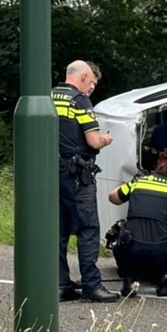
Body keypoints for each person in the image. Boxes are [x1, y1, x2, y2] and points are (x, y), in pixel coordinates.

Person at [54, 60, 120, 303]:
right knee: (88, 228)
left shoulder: (50, 97)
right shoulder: (79, 101)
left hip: (53, 173)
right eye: (92, 81)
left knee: (59, 231)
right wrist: (106, 139)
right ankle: (92, 286)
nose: (92, 87)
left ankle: (61, 284)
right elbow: (92, 141)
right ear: (82, 77)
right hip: (77, 174)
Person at [108, 147, 167, 297]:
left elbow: (112, 197)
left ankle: (129, 279)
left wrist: (132, 183)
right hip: (163, 251)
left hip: (133, 249)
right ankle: (166, 277)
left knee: (118, 241)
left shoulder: (137, 183)